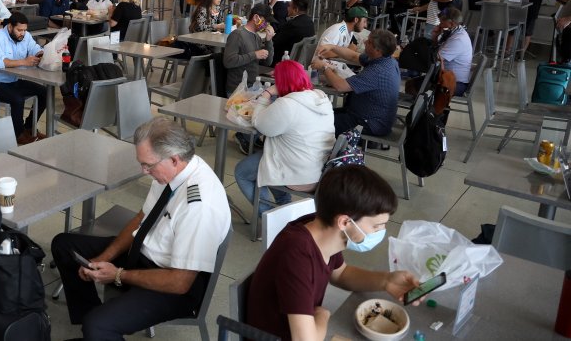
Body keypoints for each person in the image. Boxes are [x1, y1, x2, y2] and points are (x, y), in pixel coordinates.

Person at [51, 118, 230, 340]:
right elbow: (141, 219)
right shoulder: (172, 170)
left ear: (174, 159)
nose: (144, 171)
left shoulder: (200, 205)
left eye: (148, 165)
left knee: (98, 325)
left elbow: (180, 282)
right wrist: (101, 260)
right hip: (143, 253)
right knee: (63, 244)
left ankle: (98, 327)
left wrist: (117, 275)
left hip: (172, 282)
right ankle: (94, 322)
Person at [246, 165, 421, 341]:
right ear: (345, 222)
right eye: (376, 226)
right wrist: (322, 316)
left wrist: (386, 281)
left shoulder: (321, 228)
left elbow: (341, 274)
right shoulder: (296, 254)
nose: (381, 232)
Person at [234, 60, 334, 212]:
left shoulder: (288, 104)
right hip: (320, 169)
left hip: (298, 173)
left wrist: (267, 94)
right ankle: (283, 206)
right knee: (266, 159)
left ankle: (268, 217)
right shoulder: (320, 97)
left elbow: (259, 123)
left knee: (242, 172)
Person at [313, 29, 400, 136]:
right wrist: (332, 47)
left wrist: (324, 67)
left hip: (368, 123)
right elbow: (353, 56)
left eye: (369, 42)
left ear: (377, 50)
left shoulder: (378, 71)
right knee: (319, 115)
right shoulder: (387, 60)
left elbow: (340, 86)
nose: (364, 42)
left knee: (315, 123)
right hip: (365, 115)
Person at [0, 12, 47, 144]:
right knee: (17, 99)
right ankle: (18, 134)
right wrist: (24, 62)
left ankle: (29, 127)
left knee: (44, 92)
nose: (22, 33)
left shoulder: (25, 36)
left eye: (24, 30)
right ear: (10, 27)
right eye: (19, 30)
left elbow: (34, 47)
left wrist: (41, 53)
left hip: (12, 80)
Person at [223, 3, 275, 95]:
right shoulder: (237, 35)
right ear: (256, 18)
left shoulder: (257, 37)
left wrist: (268, 41)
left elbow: (267, 62)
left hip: (252, 87)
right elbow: (228, 61)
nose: (266, 25)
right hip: (237, 90)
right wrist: (254, 55)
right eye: (265, 21)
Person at [433, 7, 473, 97]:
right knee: (414, 83)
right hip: (447, 78)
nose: (440, 25)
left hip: (455, 83)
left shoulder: (458, 39)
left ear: (451, 23)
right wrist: (435, 36)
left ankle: (430, 110)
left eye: (442, 22)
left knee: (416, 86)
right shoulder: (455, 33)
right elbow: (437, 53)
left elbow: (436, 58)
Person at [271, 0, 315, 65]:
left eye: (289, 6)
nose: (287, 8)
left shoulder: (292, 24)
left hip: (282, 59)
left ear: (296, 10)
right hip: (301, 60)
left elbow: (274, 42)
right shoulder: (310, 22)